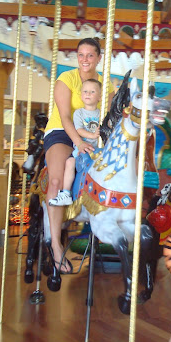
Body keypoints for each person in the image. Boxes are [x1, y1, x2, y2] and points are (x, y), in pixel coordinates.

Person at [43, 37, 115, 273]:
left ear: (98, 58)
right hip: (63, 134)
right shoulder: (67, 79)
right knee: (55, 179)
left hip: (93, 138)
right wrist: (78, 141)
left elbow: (112, 118)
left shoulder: (106, 84)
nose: (85, 59)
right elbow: (65, 117)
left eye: (90, 55)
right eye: (81, 55)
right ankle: (55, 245)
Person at [48, 78, 101, 206]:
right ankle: (65, 193)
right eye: (85, 91)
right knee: (70, 162)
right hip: (81, 149)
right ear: (81, 95)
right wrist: (93, 135)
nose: (88, 94)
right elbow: (79, 130)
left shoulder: (102, 113)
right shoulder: (79, 113)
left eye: (92, 92)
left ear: (100, 97)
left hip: (98, 149)